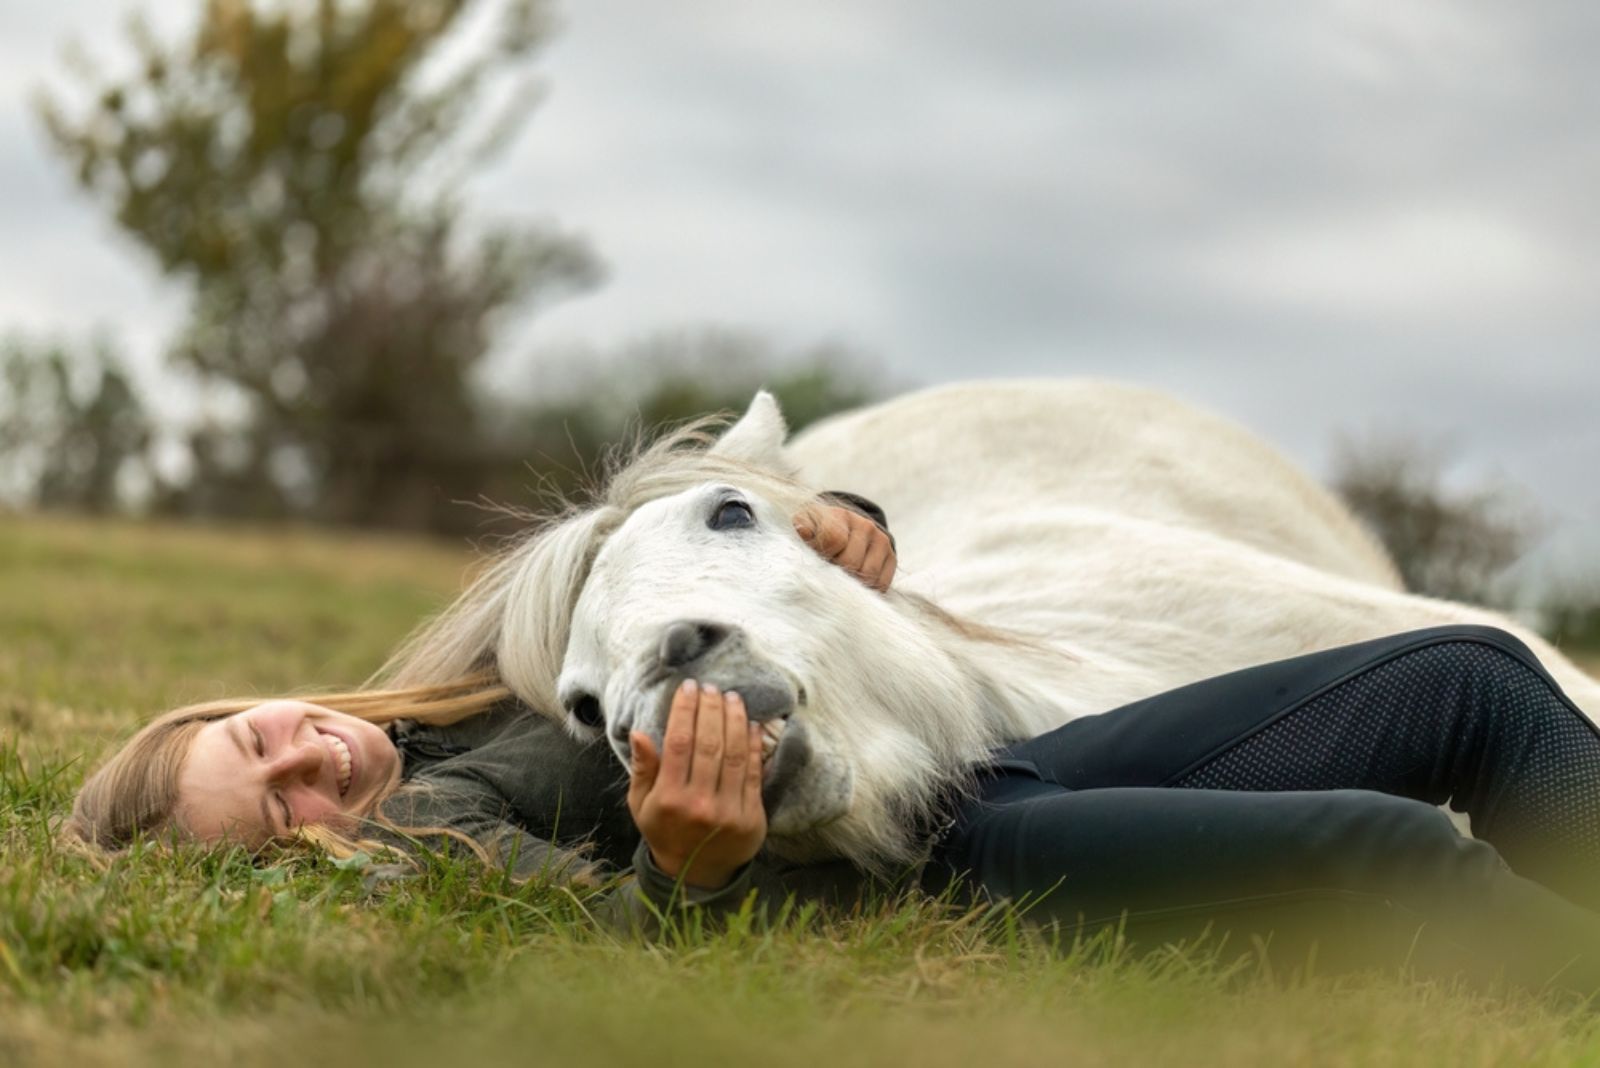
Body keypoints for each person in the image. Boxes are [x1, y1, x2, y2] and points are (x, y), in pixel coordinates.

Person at [66, 496, 1600, 996]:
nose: (308, 766)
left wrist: (840, 513)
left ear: (253, 698)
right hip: (923, 860)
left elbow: (679, 532)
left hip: (971, 760)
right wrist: (684, 868)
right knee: (1387, 857)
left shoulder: (464, 677)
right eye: (281, 812)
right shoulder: (429, 837)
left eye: (262, 737)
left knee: (1462, 675)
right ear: (302, 856)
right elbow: (608, 920)